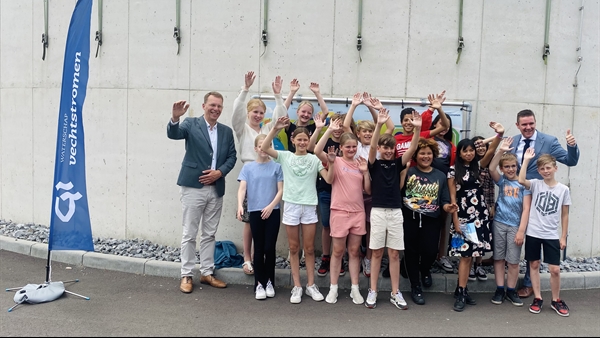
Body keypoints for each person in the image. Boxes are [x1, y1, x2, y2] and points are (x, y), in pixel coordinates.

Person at [167, 93, 237, 293]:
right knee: (189, 233)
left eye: (219, 106)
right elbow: (174, 134)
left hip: (216, 188)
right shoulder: (190, 124)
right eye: (212, 105)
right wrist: (174, 119)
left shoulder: (226, 131)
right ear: (204, 105)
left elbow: (232, 157)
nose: (216, 109)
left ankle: (207, 272)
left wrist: (219, 172)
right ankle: (186, 275)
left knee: (209, 234)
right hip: (193, 187)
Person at [511, 109, 580, 299]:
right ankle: (509, 281)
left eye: (531, 123)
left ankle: (528, 284)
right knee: (514, 233)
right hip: (514, 193)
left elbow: (570, 160)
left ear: (535, 122)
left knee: (533, 235)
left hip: (536, 194)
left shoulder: (548, 141)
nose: (528, 127)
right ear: (518, 125)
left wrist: (572, 146)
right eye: (524, 124)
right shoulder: (513, 142)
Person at [261, 116, 328, 304]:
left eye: (305, 140)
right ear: (293, 140)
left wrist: (329, 162)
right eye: (299, 139)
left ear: (308, 141)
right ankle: (297, 286)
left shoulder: (314, 159)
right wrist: (274, 129)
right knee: (293, 247)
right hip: (291, 204)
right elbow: (265, 148)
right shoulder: (285, 156)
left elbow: (329, 179)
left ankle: (311, 285)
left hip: (309, 205)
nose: (302, 142)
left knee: (309, 248)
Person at [364, 108, 420, 310]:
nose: (387, 151)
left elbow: (412, 149)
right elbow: (370, 148)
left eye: (391, 148)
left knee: (394, 254)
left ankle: (396, 293)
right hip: (378, 211)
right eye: (384, 148)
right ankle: (373, 291)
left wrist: (418, 129)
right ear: (379, 148)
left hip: (396, 211)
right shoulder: (374, 164)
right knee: (377, 253)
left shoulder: (398, 164)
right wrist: (379, 124)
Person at [231, 72, 287, 276]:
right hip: (250, 174)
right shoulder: (242, 129)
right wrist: (245, 90)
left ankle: (259, 256)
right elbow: (235, 114)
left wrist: (279, 96)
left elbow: (282, 118)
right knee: (249, 220)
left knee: (266, 218)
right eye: (254, 112)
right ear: (248, 113)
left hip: (269, 175)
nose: (258, 115)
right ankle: (247, 258)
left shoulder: (267, 130)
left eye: (261, 112)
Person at [447, 122, 504, 312]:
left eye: (472, 150)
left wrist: (499, 134)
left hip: (479, 217)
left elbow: (492, 150)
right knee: (465, 256)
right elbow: (453, 198)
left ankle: (460, 289)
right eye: (465, 151)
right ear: (460, 153)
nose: (469, 153)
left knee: (472, 255)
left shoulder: (478, 168)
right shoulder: (453, 171)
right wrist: (456, 222)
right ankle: (462, 291)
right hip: (463, 218)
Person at [314, 118, 371, 304]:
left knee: (354, 251)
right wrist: (329, 131)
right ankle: (333, 288)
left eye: (354, 146)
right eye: (348, 147)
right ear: (342, 147)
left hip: (358, 213)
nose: (351, 150)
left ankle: (355, 288)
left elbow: (367, 189)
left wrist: (365, 172)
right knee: (337, 251)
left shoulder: (361, 163)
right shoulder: (335, 161)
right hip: (339, 212)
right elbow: (315, 150)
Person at [343, 93, 395, 279]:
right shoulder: (355, 146)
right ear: (358, 134)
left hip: (375, 193)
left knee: (373, 227)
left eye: (370, 132)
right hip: (357, 192)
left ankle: (370, 258)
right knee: (360, 228)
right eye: (363, 131)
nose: (367, 134)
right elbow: (345, 125)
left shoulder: (379, 146)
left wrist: (376, 107)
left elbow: (390, 127)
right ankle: (358, 256)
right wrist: (354, 105)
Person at [401, 137, 458, 305]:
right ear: (415, 156)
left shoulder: (440, 176)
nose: (425, 156)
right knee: (411, 252)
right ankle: (415, 286)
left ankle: (425, 269)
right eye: (422, 153)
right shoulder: (409, 172)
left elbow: (444, 200)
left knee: (430, 251)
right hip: (410, 219)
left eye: (428, 154)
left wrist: (448, 207)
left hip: (432, 220)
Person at [519, 149, 572, 317]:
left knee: (554, 269)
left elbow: (565, 214)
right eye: (542, 169)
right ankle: (538, 298)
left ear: (555, 168)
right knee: (533, 265)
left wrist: (563, 236)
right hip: (534, 232)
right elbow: (521, 180)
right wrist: (526, 160)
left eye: (548, 168)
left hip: (551, 234)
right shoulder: (535, 184)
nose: (545, 171)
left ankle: (556, 300)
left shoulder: (563, 189)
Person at [236, 134, 284, 300]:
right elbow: (242, 189)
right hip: (255, 211)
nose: (263, 149)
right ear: (256, 148)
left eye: (267, 145)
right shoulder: (248, 168)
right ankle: (259, 284)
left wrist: (271, 206)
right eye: (261, 146)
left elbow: (281, 190)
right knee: (259, 248)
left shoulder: (276, 167)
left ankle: (270, 281)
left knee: (269, 248)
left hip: (272, 211)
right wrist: (239, 205)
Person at [488, 137, 532, 307]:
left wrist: (521, 230)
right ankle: (500, 288)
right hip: (499, 223)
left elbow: (526, 209)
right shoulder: (502, 181)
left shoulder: (524, 185)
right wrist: (501, 150)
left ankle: (511, 289)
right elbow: (491, 168)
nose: (511, 169)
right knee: (499, 258)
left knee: (513, 261)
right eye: (507, 167)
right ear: (502, 169)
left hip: (515, 226)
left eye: (513, 166)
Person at [308, 112, 344, 278]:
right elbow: (312, 148)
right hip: (325, 190)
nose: (338, 128)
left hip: (344, 191)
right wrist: (327, 130)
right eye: (335, 125)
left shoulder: (349, 145)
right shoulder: (327, 141)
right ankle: (326, 256)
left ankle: (340, 257)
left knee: (341, 228)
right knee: (327, 225)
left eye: (340, 125)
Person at [430, 114, 456, 274]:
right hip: (427, 184)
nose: (444, 127)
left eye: (447, 125)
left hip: (444, 187)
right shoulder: (428, 139)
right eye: (441, 123)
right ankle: (423, 255)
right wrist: (435, 108)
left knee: (442, 222)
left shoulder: (450, 145)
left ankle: (441, 255)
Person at [469, 135, 496, 281]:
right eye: (477, 146)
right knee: (471, 235)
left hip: (484, 206)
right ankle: (470, 265)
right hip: (470, 206)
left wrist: (491, 206)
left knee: (481, 236)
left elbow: (491, 188)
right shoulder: (471, 165)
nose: (480, 149)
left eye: (483, 146)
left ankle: (478, 265)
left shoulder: (490, 165)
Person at [393, 90, 448, 158]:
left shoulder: (421, 135)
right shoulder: (394, 139)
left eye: (412, 120)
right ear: (401, 122)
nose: (409, 122)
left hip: (417, 168)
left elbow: (445, 126)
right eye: (406, 120)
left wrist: (439, 109)